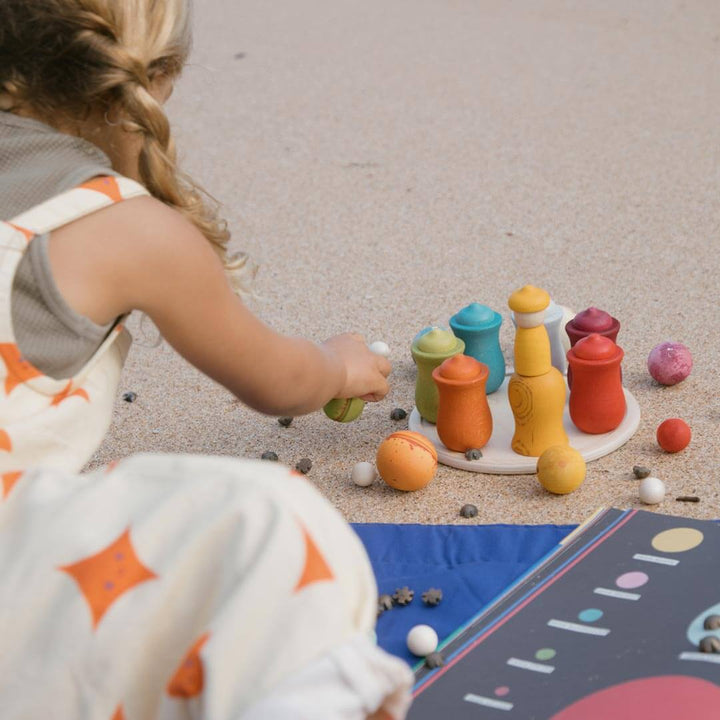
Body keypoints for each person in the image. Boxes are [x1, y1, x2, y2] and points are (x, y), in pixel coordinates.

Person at [0, 1, 414, 717]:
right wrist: (337, 366)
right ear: (154, 78)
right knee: (271, 523)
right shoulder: (126, 227)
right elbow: (277, 381)